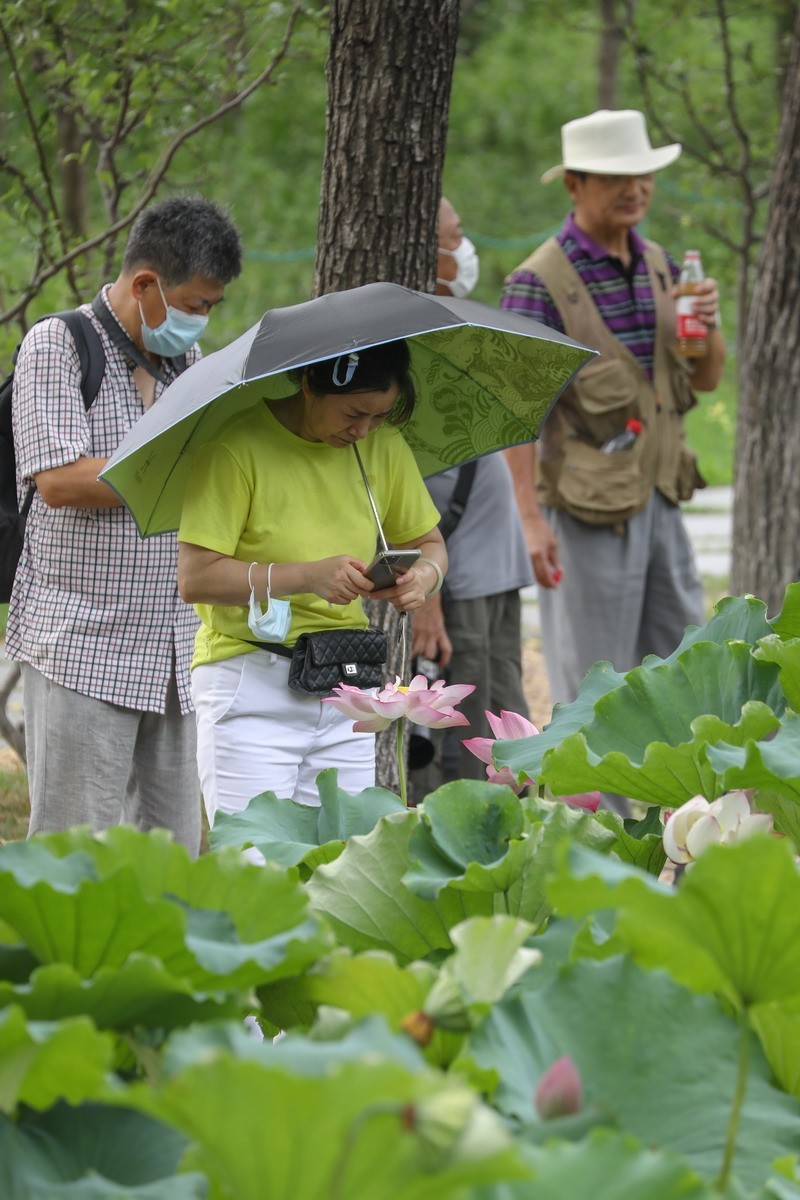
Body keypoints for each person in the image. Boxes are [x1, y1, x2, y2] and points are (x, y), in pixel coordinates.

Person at [501, 110, 726, 810]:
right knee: (595, 691)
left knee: (686, 674)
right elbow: (517, 413)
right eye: (617, 178)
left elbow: (707, 378)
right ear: (575, 183)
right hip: (586, 513)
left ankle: (683, 833)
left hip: (660, 500)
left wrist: (707, 325)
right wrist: (530, 522)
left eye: (643, 176)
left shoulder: (661, 264)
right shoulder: (538, 282)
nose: (635, 190)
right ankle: (596, 849)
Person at [8, 195, 242, 854]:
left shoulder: (183, 364)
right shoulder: (59, 344)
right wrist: (178, 464)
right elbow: (58, 481)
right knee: (73, 849)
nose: (200, 321)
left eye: (210, 308)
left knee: (169, 853)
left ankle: (152, 961)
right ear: (145, 285)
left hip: (170, 648)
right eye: (195, 305)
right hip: (82, 643)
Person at [177, 341, 445, 824]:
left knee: (341, 868)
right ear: (308, 383)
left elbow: (431, 544)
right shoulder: (235, 447)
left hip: (346, 685)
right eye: (354, 412)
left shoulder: (379, 448)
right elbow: (196, 577)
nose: (363, 429)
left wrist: (424, 576)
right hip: (251, 680)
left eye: (381, 416)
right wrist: (305, 577)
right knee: (256, 865)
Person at [411, 198, 535, 784]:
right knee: (469, 752)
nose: (465, 252)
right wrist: (424, 589)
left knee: (505, 726)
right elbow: (399, 476)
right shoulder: (406, 340)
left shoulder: (451, 325)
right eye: (454, 239)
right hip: (454, 583)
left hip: (490, 570)